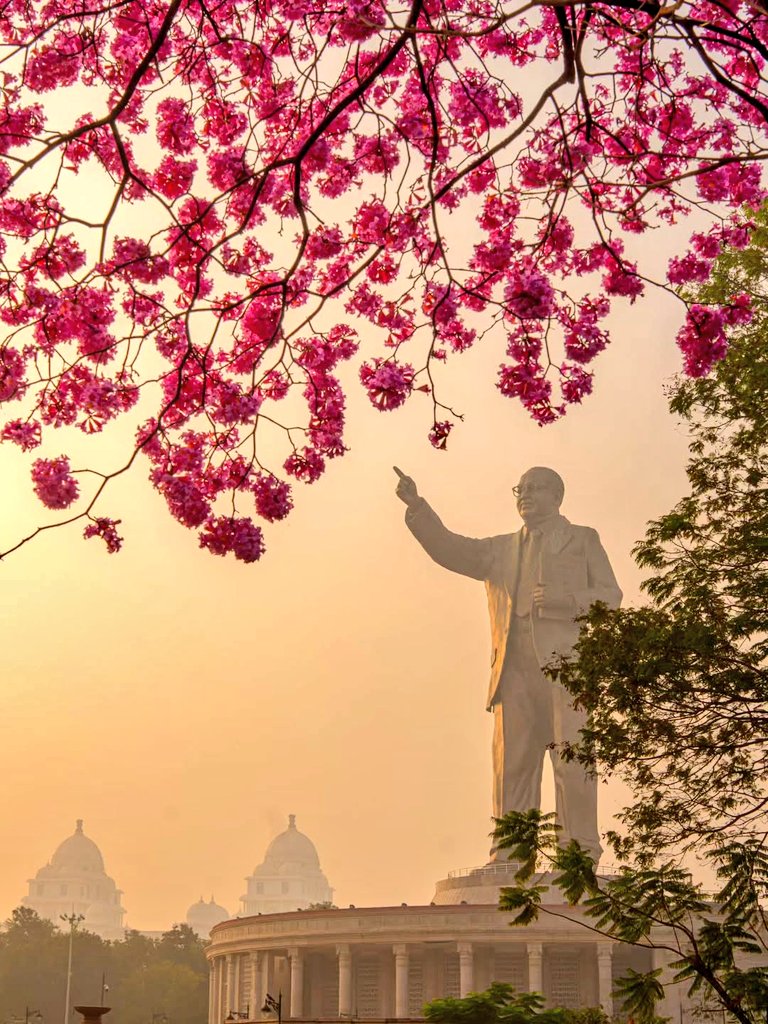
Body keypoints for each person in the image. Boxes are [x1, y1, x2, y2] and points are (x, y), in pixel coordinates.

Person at [394, 465, 622, 861]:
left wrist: (563, 601)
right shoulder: (499, 550)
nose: (526, 495)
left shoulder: (582, 540)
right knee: (513, 764)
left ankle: (579, 852)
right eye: (521, 488)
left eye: (536, 488)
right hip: (512, 670)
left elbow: (610, 596)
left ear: (556, 496)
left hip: (567, 671)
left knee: (572, 761)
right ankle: (512, 854)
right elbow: (450, 548)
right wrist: (418, 508)